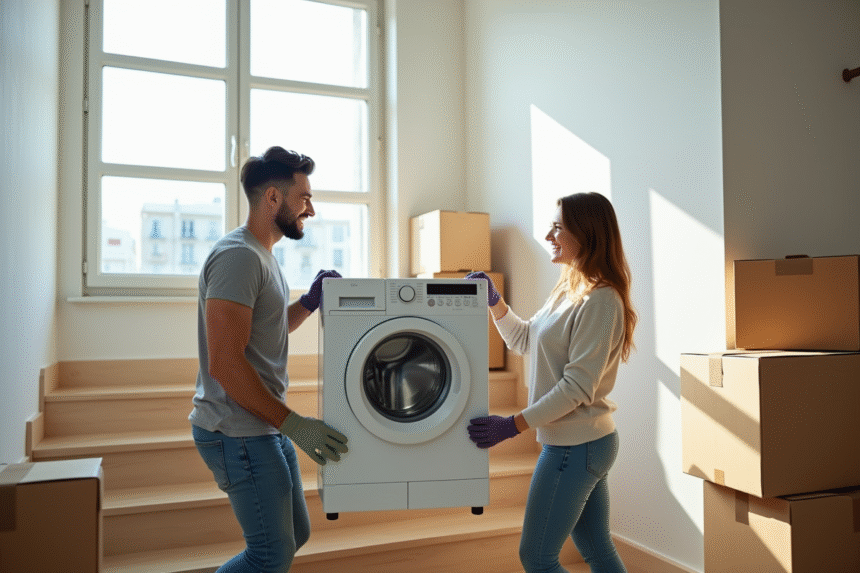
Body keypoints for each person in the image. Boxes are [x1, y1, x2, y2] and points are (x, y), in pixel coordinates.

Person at [189, 146, 349, 573]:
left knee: (295, 536)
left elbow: (266, 331)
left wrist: (309, 303)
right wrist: (293, 424)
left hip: (262, 422)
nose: (310, 210)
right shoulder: (238, 257)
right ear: (274, 199)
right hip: (236, 429)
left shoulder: (261, 254)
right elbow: (225, 363)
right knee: (270, 553)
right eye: (304, 198)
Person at [466, 192, 636, 573]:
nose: (548, 236)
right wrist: (496, 303)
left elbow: (577, 388)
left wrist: (512, 425)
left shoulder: (601, 300)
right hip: (582, 443)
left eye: (558, 227)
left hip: (577, 445)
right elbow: (523, 339)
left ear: (587, 233)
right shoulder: (569, 288)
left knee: (537, 558)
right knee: (597, 549)